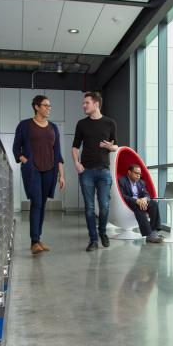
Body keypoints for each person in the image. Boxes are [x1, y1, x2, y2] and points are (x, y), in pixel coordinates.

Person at [13, 94, 66, 254]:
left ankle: (38, 239)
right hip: (33, 169)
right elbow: (16, 148)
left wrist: (61, 175)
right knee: (36, 202)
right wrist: (25, 161)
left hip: (50, 170)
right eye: (45, 105)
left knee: (42, 204)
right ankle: (34, 241)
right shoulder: (24, 125)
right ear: (36, 107)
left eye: (49, 106)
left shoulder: (53, 127)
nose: (48, 108)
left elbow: (57, 153)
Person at [72, 92, 118, 251]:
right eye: (83, 103)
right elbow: (75, 147)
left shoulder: (110, 123)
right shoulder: (81, 124)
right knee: (90, 207)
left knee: (104, 206)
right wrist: (76, 163)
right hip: (87, 172)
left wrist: (110, 147)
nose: (84, 105)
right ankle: (93, 240)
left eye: (86, 103)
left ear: (96, 104)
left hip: (104, 171)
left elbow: (116, 145)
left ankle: (102, 232)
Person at [117, 164, 164, 244]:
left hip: (140, 202)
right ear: (129, 172)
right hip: (129, 202)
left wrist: (145, 199)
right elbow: (123, 196)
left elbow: (146, 194)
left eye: (139, 174)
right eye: (136, 173)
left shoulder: (141, 182)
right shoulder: (122, 181)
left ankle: (153, 232)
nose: (138, 176)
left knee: (154, 204)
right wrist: (136, 201)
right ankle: (149, 234)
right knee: (139, 207)